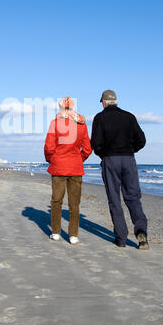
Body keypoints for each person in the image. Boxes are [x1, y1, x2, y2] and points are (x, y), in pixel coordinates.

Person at [91, 90, 148, 250]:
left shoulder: (99, 118)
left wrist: (105, 154)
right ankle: (141, 231)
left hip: (110, 160)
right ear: (115, 101)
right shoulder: (129, 117)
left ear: (103, 101)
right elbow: (141, 140)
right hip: (128, 159)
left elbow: (95, 144)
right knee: (133, 197)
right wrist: (130, 150)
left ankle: (121, 238)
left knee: (114, 199)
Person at [44, 97, 92, 244]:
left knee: (56, 200)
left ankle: (56, 232)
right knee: (74, 203)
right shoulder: (81, 124)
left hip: (59, 166)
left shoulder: (55, 123)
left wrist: (53, 159)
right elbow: (88, 149)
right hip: (75, 167)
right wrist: (78, 159)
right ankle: (73, 235)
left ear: (60, 107)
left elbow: (49, 148)